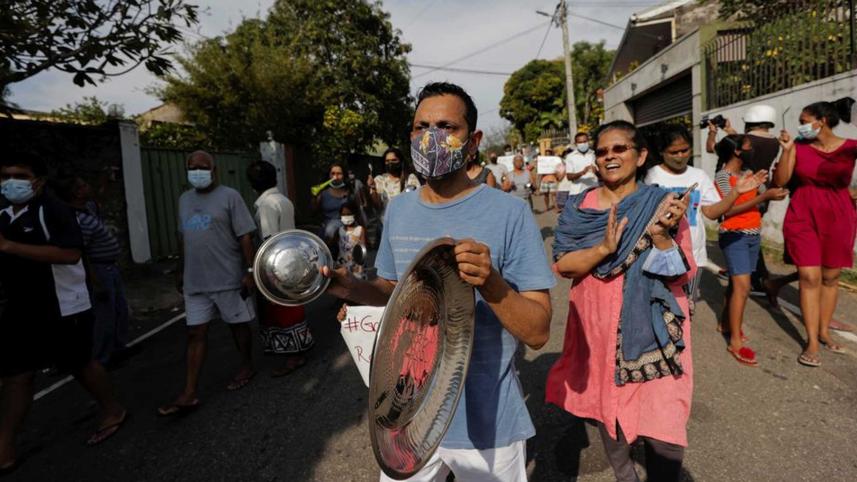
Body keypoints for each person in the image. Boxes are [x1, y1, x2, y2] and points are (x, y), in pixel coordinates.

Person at [324, 81, 555, 481]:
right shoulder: (399, 209)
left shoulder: (510, 213)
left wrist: (491, 283)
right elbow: (394, 293)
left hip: (488, 425)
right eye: (420, 127)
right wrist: (352, 287)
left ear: (473, 139)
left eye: (447, 126)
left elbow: (537, 332)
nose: (431, 137)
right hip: (408, 416)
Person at [547, 120, 694, 482]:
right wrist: (603, 249)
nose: (609, 156)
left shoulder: (663, 205)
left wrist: (661, 237)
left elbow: (681, 274)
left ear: (641, 155)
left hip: (656, 333)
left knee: (664, 421)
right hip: (596, 327)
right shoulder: (579, 209)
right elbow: (563, 264)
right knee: (610, 416)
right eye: (602, 151)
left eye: (619, 149)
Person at [1, 155, 127, 473]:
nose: (10, 181)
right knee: (18, 375)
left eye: (19, 174)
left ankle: (112, 409)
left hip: (63, 304)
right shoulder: (3, 213)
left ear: (38, 180)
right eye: (5, 175)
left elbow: (71, 254)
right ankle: (5, 447)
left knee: (79, 363)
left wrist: (10, 247)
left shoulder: (54, 211)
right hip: (21, 308)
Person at [158, 151, 258, 416]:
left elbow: (245, 237)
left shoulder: (230, 197)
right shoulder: (184, 200)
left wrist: (249, 271)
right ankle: (189, 392)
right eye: (192, 167)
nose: (197, 171)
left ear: (214, 171)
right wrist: (180, 271)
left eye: (203, 167)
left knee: (237, 325)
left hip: (227, 277)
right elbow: (183, 238)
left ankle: (246, 364)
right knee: (195, 333)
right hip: (196, 281)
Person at [645, 125, 766, 311]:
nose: (680, 156)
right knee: (657, 308)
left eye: (684, 150)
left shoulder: (699, 176)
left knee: (686, 309)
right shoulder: (650, 176)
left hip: (693, 256)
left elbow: (711, 212)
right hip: (658, 254)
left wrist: (735, 192)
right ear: (662, 152)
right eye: (673, 152)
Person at [773, 101, 857, 367]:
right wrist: (786, 151)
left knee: (831, 277)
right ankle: (810, 341)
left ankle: (823, 331)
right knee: (809, 276)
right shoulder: (798, 145)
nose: (801, 125)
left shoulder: (851, 147)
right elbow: (781, 181)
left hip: (839, 215)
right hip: (802, 213)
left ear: (821, 120)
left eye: (804, 119)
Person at [714, 135, 788, 366]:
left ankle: (726, 324)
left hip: (752, 234)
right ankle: (735, 340)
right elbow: (730, 209)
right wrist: (763, 195)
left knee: (737, 285)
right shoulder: (723, 176)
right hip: (734, 235)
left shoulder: (749, 172)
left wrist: (785, 154)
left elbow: (771, 188)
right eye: (747, 146)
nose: (751, 149)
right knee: (743, 287)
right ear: (736, 151)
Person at [52, 175, 134, 367]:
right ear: (76, 193)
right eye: (83, 185)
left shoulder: (88, 208)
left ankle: (116, 348)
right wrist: (95, 281)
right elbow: (83, 253)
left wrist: (105, 182)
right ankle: (101, 358)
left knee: (118, 310)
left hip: (110, 267)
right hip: (99, 269)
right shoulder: (77, 220)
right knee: (104, 315)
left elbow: (99, 200)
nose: (88, 187)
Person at [706, 105, 782, 294]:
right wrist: (730, 131)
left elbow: (716, 148)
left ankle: (749, 279)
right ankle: (753, 278)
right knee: (751, 235)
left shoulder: (744, 145)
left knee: (737, 233)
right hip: (760, 188)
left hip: (740, 189)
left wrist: (713, 133)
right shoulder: (775, 142)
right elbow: (740, 143)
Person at [246, 161, 313, 377]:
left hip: (275, 264)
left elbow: (269, 240)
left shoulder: (265, 205)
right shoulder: (283, 200)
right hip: (292, 260)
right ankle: (299, 352)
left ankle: (292, 357)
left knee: (281, 309)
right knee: (293, 305)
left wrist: (262, 273)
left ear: (252, 184)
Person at [367, 148, 420, 245]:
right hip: (384, 226)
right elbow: (377, 206)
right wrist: (373, 188)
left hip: (406, 226)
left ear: (401, 161)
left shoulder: (410, 178)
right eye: (387, 161)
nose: (390, 163)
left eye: (394, 160)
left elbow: (416, 202)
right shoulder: (379, 180)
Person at [556, 132, 597, 213]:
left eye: (585, 141)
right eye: (580, 142)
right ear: (575, 144)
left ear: (588, 141)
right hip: (577, 192)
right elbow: (569, 176)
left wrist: (596, 171)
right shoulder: (570, 157)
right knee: (578, 217)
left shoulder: (594, 154)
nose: (583, 144)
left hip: (594, 190)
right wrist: (582, 172)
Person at [312, 162, 353, 244]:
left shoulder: (349, 192)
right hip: (328, 227)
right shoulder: (323, 193)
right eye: (333, 173)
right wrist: (315, 197)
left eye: (339, 174)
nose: (335, 177)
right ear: (329, 175)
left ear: (344, 175)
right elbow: (313, 210)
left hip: (347, 224)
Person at [336, 201, 367, 279]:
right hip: (343, 262)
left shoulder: (360, 229)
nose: (346, 216)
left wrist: (360, 265)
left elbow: (363, 249)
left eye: (348, 214)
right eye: (344, 214)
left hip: (356, 264)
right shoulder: (339, 230)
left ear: (355, 214)